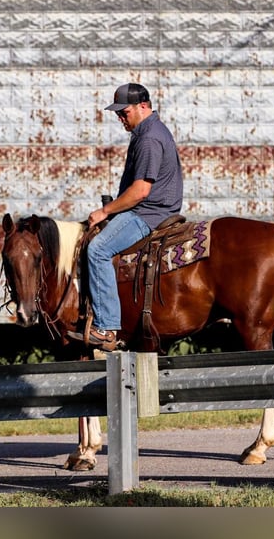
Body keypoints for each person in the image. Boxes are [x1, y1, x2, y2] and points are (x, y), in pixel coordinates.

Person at [68, 83, 183, 350]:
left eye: (124, 112)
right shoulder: (148, 132)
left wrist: (105, 211)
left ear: (143, 106)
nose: (120, 118)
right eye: (118, 114)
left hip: (149, 213)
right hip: (152, 209)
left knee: (97, 250)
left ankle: (106, 328)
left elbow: (141, 191)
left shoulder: (149, 138)